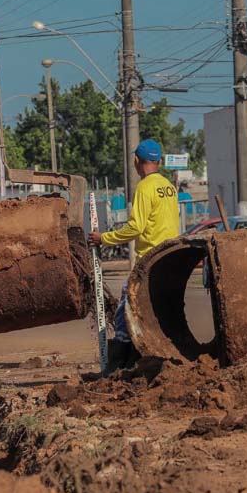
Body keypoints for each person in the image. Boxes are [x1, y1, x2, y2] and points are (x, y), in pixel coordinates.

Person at [89, 139, 180, 370]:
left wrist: (104, 238)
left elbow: (135, 228)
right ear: (158, 161)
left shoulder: (145, 187)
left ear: (136, 161)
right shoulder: (169, 186)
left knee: (124, 311)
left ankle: (119, 364)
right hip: (169, 257)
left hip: (149, 259)